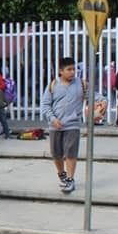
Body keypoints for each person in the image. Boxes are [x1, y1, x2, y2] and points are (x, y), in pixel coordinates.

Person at [40, 57, 84, 194]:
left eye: (74, 69)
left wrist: (102, 103)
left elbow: (93, 96)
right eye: (69, 69)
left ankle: (70, 179)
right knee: (56, 154)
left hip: (72, 125)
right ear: (61, 71)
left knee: (71, 152)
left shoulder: (81, 84)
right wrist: (53, 119)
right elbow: (45, 105)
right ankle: (62, 174)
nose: (72, 72)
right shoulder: (53, 85)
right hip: (55, 126)